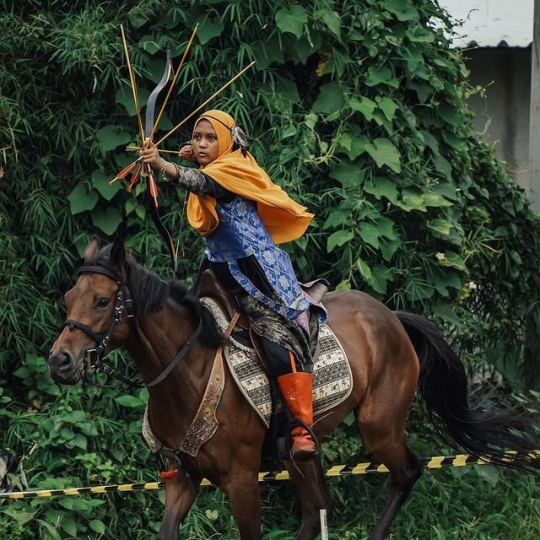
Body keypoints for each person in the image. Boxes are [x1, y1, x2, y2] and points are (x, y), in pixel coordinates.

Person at [140, 109, 326, 460]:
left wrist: (162, 164)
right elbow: (198, 173)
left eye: (211, 138)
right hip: (220, 269)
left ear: (226, 142)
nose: (202, 143)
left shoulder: (232, 170)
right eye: (198, 138)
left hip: (258, 272)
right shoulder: (215, 164)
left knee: (276, 338)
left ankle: (302, 428)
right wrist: (177, 159)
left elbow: (201, 183)